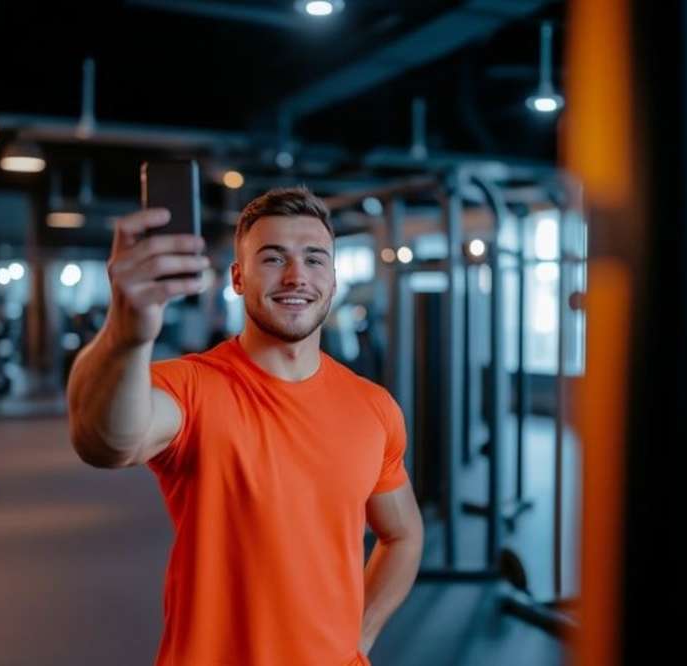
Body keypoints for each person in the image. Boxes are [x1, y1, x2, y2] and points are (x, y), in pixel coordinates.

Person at [67, 187, 424, 666]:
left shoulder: (373, 406)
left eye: (315, 259)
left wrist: (359, 635)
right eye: (274, 259)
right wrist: (126, 336)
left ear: (334, 280)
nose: (297, 276)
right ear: (238, 277)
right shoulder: (191, 387)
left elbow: (403, 535)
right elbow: (105, 440)